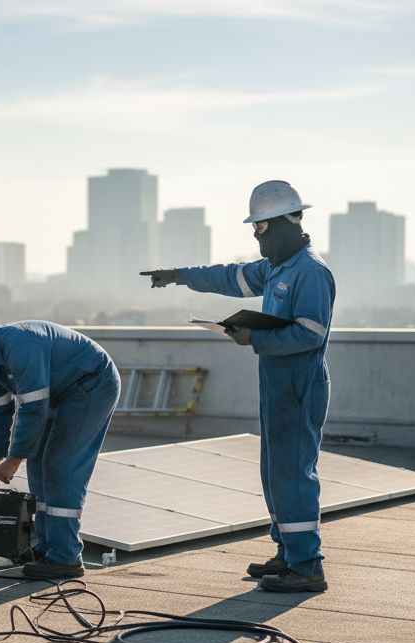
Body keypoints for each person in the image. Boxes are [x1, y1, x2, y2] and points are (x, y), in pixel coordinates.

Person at [141, 179, 335, 593]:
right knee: (274, 472)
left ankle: (307, 564)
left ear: (285, 222)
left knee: (293, 473)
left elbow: (310, 334)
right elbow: (230, 277)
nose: (255, 234)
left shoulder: (311, 273)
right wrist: (179, 275)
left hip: (300, 389)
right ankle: (287, 553)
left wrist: (255, 338)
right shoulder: (278, 268)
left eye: (261, 227)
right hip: (277, 386)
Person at [0, 314, 121, 579]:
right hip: (59, 391)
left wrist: (13, 460)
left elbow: (33, 409)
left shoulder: (20, 345)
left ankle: (66, 557)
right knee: (37, 462)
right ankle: (48, 548)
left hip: (91, 385)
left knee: (61, 465)